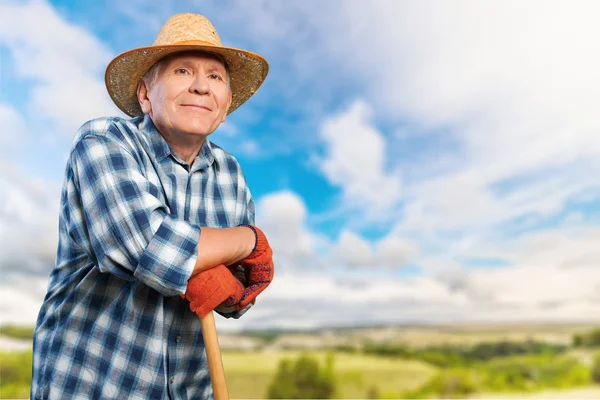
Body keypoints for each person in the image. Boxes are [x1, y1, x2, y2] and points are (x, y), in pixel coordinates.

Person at [31, 13, 274, 399]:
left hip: (191, 389)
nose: (200, 87)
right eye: (182, 71)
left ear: (226, 105)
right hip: (93, 385)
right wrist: (248, 239)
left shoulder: (229, 173)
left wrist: (229, 285)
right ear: (146, 94)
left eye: (215, 77)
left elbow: (233, 295)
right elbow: (149, 248)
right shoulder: (103, 142)